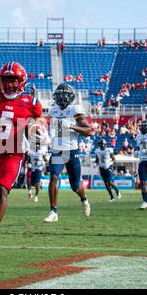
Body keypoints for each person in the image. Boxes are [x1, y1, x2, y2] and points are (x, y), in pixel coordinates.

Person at [0, 61, 43, 248]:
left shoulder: (30, 103)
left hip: (13, 155)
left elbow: (36, 121)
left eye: (13, 79)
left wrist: (37, 129)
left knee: (2, 191)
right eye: (6, 79)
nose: (9, 83)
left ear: (21, 81)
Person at [44, 83, 92, 223]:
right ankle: (53, 211)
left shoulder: (75, 109)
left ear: (70, 97)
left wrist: (71, 126)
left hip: (72, 151)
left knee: (75, 187)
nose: (61, 98)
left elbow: (88, 131)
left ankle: (84, 199)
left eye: (63, 95)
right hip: (57, 150)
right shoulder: (53, 110)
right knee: (53, 177)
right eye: (59, 95)